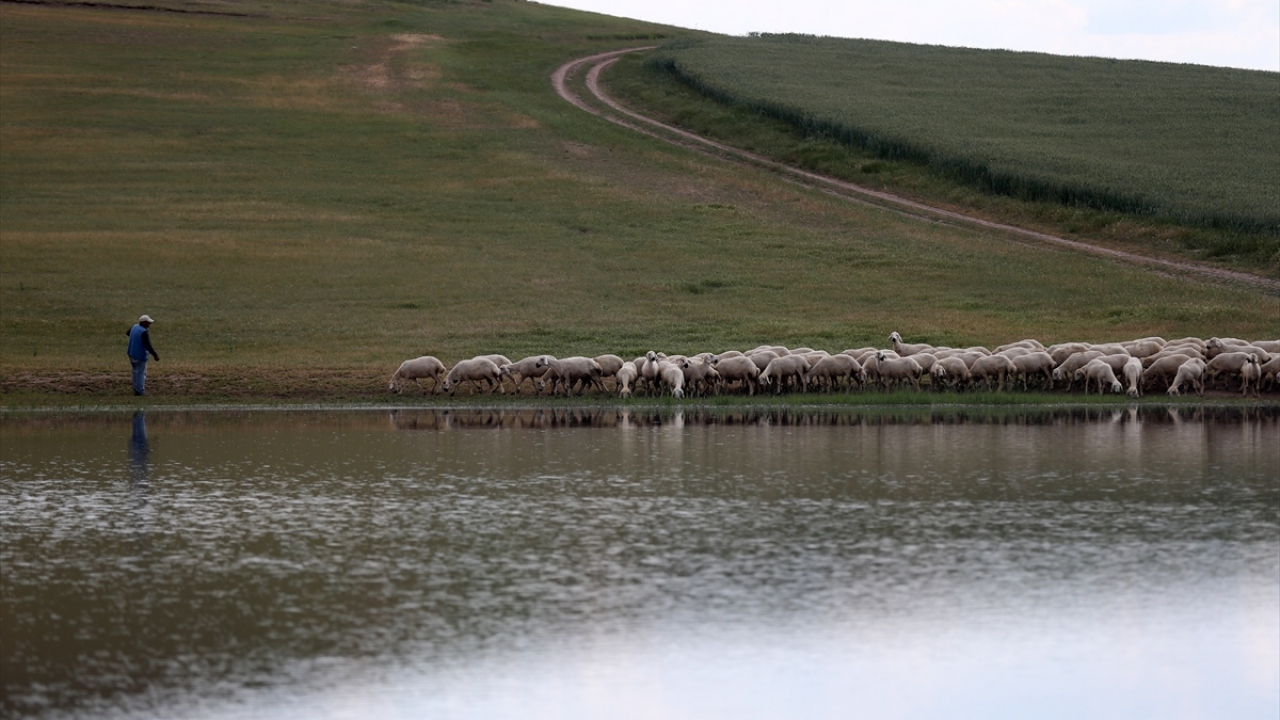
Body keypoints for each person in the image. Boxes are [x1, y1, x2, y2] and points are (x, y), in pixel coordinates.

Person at [126, 315, 160, 396]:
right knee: (141, 373)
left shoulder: (134, 327)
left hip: (131, 353)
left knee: (135, 372)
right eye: (148, 322)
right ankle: (140, 391)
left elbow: (128, 333)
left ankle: (136, 389)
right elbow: (148, 345)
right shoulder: (144, 332)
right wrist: (155, 355)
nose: (150, 324)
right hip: (140, 355)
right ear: (144, 322)